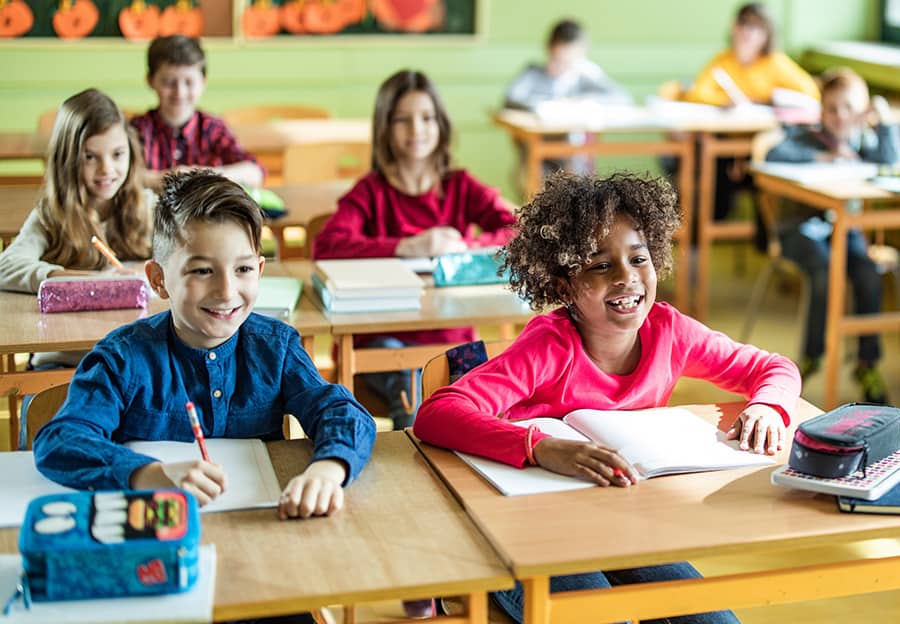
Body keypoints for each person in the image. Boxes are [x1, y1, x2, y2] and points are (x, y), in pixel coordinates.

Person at [414, 172, 801, 624]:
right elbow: (437, 412)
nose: (626, 278)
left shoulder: (670, 332)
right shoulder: (547, 347)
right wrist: (540, 447)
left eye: (639, 259)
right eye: (600, 266)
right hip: (528, 537)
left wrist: (766, 405)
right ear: (564, 288)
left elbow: (774, 367)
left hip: (624, 529)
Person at [35, 170, 376, 522]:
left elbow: (344, 413)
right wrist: (150, 476)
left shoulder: (277, 347)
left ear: (259, 270)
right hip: (159, 531)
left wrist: (327, 470)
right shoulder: (123, 358)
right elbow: (60, 439)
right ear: (159, 280)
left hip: (262, 529)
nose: (226, 291)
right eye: (202, 271)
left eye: (242, 268)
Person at [312, 69, 517, 430]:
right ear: (385, 129)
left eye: (426, 118)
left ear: (441, 124)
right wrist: (407, 245)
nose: (416, 130)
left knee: (490, 404)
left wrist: (464, 246)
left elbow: (516, 230)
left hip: (451, 336)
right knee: (418, 402)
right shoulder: (371, 191)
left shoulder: (459, 185)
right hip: (383, 342)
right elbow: (327, 245)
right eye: (402, 120)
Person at [0, 88, 155, 450]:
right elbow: (7, 266)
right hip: (62, 363)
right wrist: (92, 283)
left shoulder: (148, 207)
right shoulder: (52, 214)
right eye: (90, 157)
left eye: (117, 155)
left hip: (133, 361)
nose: (107, 170)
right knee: (57, 448)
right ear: (68, 160)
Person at [763, 67, 900, 404]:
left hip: (843, 229)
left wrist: (884, 121)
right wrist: (823, 156)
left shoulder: (863, 143)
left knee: (867, 273)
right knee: (826, 270)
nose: (839, 116)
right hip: (797, 230)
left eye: (848, 108)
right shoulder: (807, 137)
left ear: (862, 111)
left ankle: (866, 362)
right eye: (832, 109)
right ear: (821, 111)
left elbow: (895, 162)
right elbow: (773, 154)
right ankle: (813, 355)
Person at [684, 2, 821, 223]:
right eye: (743, 25)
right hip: (726, 144)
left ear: (766, 35)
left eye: (755, 28)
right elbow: (697, 93)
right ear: (733, 28)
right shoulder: (723, 60)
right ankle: (706, 225)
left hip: (764, 143)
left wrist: (766, 100)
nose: (747, 33)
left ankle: (767, 233)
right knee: (703, 160)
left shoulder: (775, 63)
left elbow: (810, 94)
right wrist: (724, 100)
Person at [503, 18, 632, 182]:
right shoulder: (533, 74)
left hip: (577, 158)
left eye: (569, 61)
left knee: (581, 174)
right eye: (557, 59)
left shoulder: (585, 74)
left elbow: (621, 97)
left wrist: (580, 102)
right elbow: (510, 98)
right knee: (540, 179)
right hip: (540, 157)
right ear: (549, 49)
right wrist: (544, 106)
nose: (563, 66)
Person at [130, 35, 265, 190]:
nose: (179, 92)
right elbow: (120, 175)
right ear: (150, 80)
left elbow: (255, 173)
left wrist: (205, 175)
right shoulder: (138, 129)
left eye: (189, 82)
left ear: (203, 82)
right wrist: (163, 178)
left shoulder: (213, 128)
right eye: (169, 82)